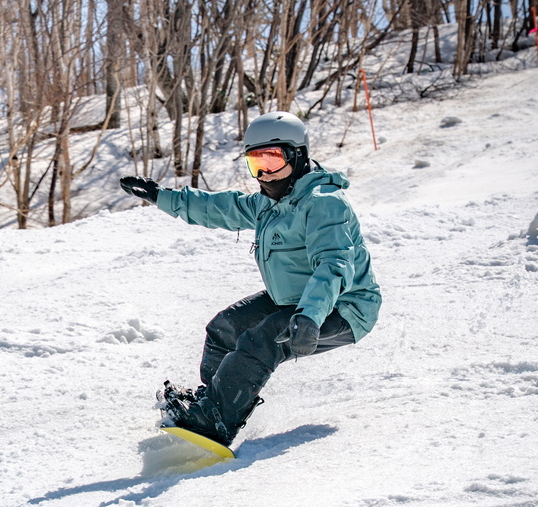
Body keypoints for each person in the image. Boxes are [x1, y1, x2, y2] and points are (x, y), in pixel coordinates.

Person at [119, 110, 382, 450]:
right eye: (255, 163)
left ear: (298, 156)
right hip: (295, 299)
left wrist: (310, 316)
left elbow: (333, 264)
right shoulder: (270, 203)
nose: (265, 173)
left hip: (343, 306)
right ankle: (212, 404)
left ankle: (216, 420)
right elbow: (221, 208)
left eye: (274, 160)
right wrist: (161, 197)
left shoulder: (324, 204)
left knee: (263, 339)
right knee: (226, 327)